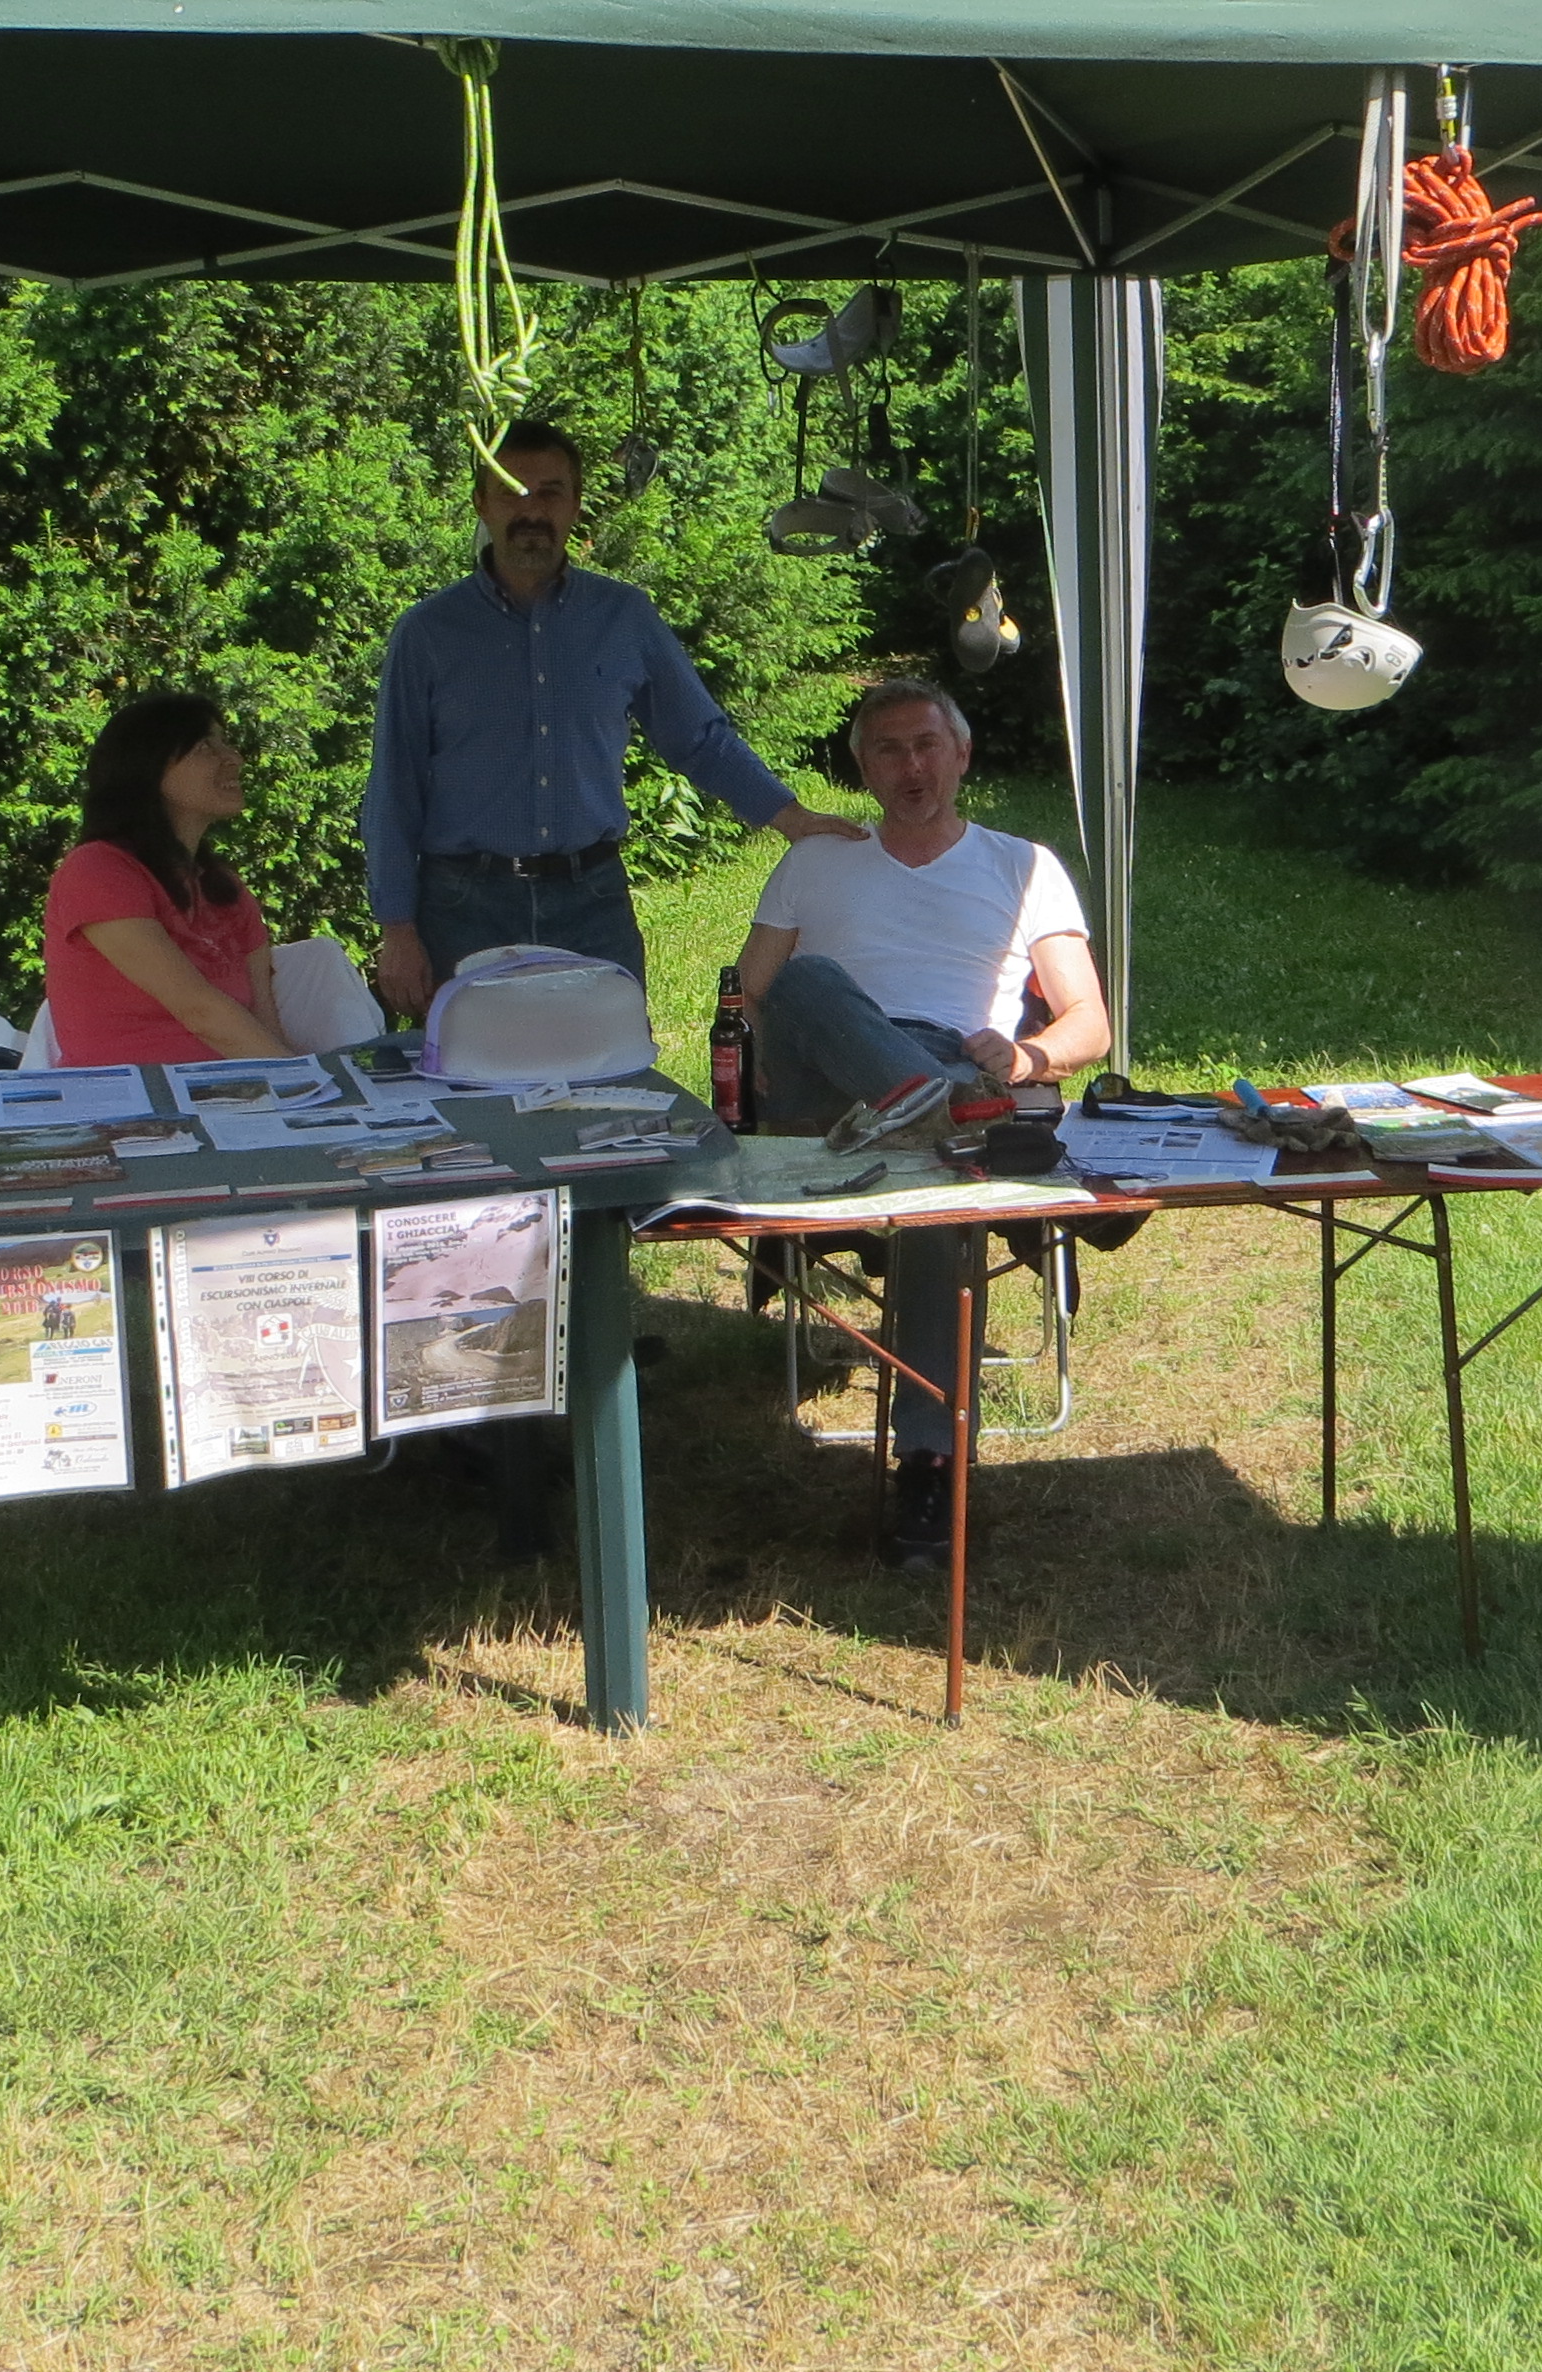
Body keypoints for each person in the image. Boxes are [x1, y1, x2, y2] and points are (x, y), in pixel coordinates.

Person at [734, 675, 1111, 1566]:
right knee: (807, 981)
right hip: (827, 1088)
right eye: (889, 751)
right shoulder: (817, 859)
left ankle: (930, 1465)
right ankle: (954, 1121)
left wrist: (1027, 1058)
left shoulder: (1023, 866)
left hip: (959, 1066)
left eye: (927, 746)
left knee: (941, 1198)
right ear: (864, 769)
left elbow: (1088, 1023)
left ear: (962, 754)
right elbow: (745, 999)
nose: (911, 767)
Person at [363, 420, 858, 1018]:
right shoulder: (427, 634)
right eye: (511, 492)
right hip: (464, 909)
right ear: (481, 504)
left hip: (591, 903)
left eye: (550, 492)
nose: (531, 510)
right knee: (473, 1070)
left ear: (575, 504)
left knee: (614, 1063)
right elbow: (394, 786)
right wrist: (397, 927)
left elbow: (699, 738)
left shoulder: (624, 618)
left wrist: (791, 816)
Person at [44, 689, 292, 1066]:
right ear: (148, 768)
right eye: (205, 748)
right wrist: (305, 1079)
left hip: (234, 1090)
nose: (234, 758)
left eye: (224, 743)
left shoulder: (226, 888)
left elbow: (265, 1021)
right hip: (131, 1098)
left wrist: (301, 1084)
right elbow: (199, 1010)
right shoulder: (97, 870)